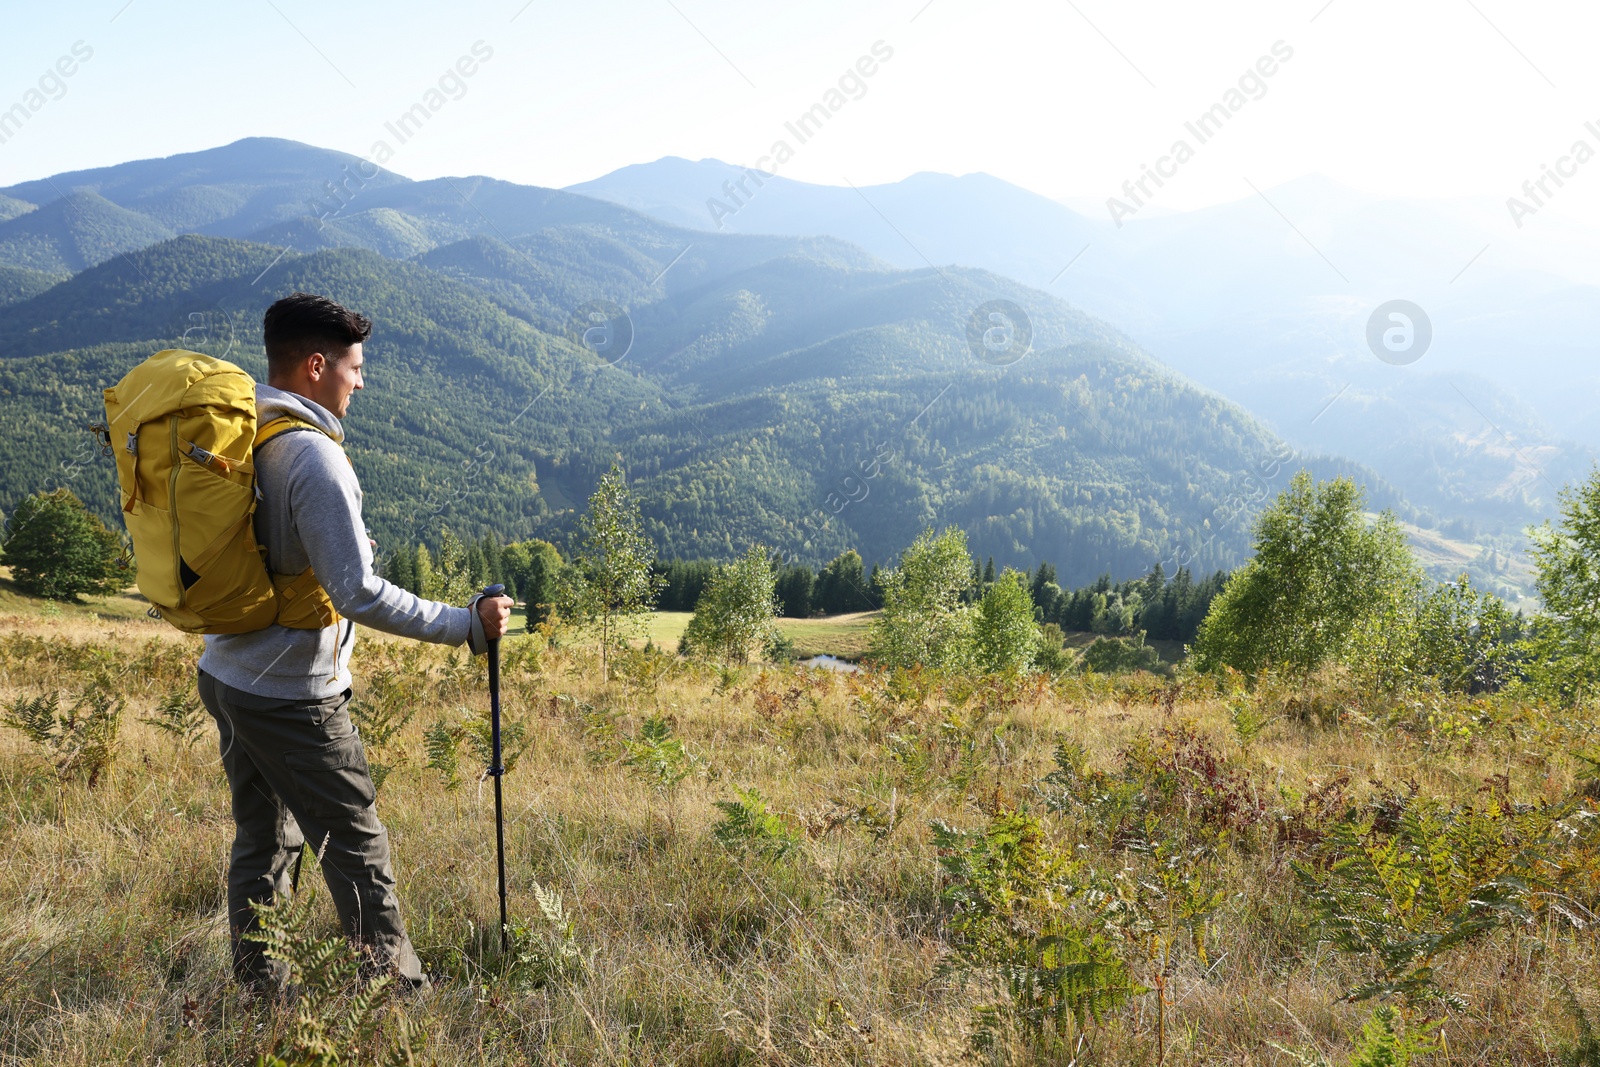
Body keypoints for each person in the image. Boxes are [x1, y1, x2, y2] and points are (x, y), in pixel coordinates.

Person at [196, 292, 512, 990]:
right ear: (316, 365)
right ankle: (401, 1003)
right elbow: (359, 593)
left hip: (228, 673)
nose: (360, 381)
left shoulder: (250, 430)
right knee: (356, 847)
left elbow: (278, 550)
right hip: (291, 693)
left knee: (264, 838)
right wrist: (467, 625)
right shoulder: (314, 457)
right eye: (354, 366)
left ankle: (258, 989)